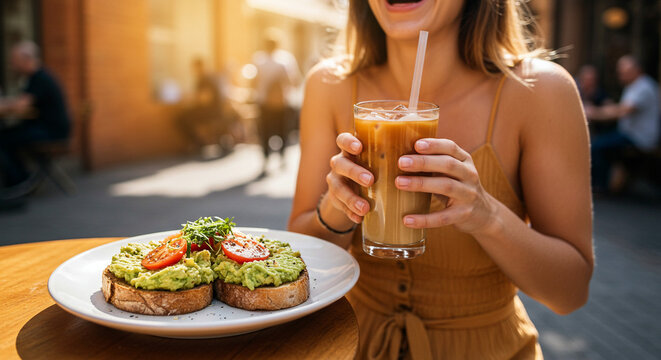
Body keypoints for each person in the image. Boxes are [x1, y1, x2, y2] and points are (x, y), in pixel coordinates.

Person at [288, 1, 593, 359]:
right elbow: (298, 270)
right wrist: (339, 205)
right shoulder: (328, 84)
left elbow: (570, 292)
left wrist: (488, 216)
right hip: (353, 345)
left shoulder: (541, 90)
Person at [585, 55, 660, 193]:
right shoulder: (636, 85)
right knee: (602, 141)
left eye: (625, 72)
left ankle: (600, 186)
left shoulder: (643, 87)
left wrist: (595, 112)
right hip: (630, 133)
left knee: (596, 146)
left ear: (637, 70)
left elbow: (623, 110)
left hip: (638, 137)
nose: (621, 75)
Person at [0, 41, 71, 187]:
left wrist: (4, 104)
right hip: (46, 128)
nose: (12, 65)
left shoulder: (40, 78)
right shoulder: (36, 77)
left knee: (4, 138)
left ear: (26, 59)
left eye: (15, 61)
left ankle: (19, 182)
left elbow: (21, 106)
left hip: (52, 132)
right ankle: (21, 181)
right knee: (6, 136)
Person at [253, 29, 301, 174]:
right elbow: (294, 81)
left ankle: (266, 159)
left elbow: (253, 82)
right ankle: (282, 157)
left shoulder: (258, 60)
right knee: (283, 131)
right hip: (282, 102)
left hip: (263, 102)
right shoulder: (286, 60)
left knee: (265, 132)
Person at [175, 57, 233, 153]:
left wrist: (190, 99)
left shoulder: (205, 79)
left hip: (211, 112)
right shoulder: (209, 77)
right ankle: (198, 143)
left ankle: (197, 144)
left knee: (182, 119)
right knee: (185, 117)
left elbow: (205, 99)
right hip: (216, 111)